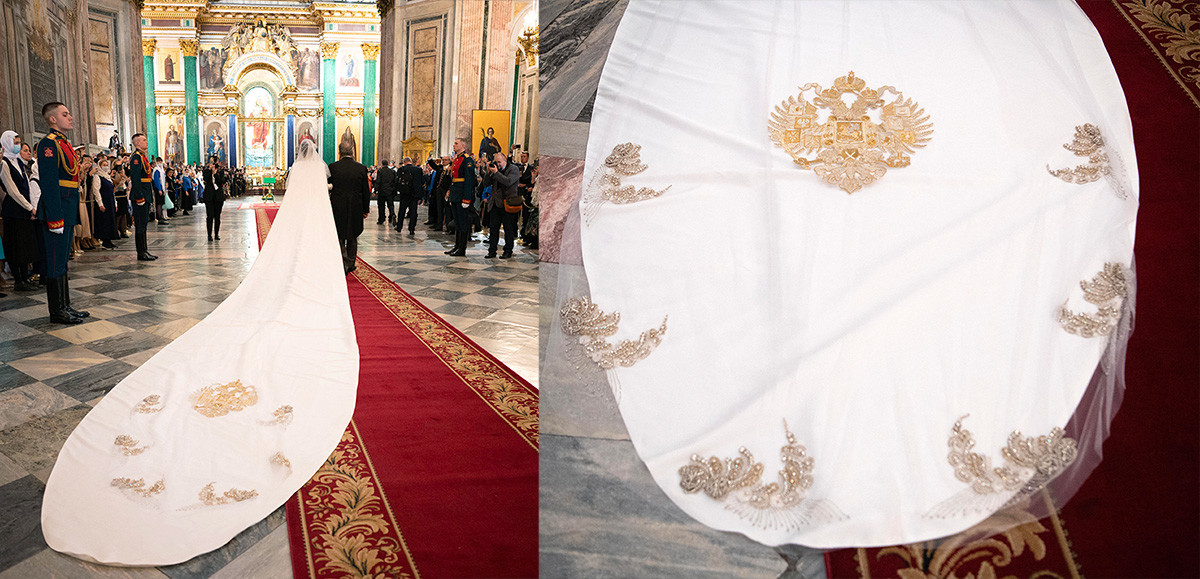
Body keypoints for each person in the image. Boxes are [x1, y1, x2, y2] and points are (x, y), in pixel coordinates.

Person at [35, 102, 86, 324]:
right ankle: (56, 311)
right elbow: (49, 183)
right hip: (57, 211)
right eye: (65, 114)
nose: (70, 117)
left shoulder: (64, 143)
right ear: (52, 119)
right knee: (56, 260)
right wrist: (55, 216)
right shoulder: (48, 144)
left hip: (68, 206)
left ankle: (65, 305)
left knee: (63, 259)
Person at [0, 131, 40, 291]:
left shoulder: (17, 161)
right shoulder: (4, 164)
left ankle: (25, 277)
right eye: (15, 142)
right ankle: (18, 280)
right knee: (16, 245)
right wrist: (29, 206)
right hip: (13, 210)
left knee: (25, 244)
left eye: (19, 142)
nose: (17, 145)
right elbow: (12, 190)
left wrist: (31, 206)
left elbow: (26, 186)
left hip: (24, 208)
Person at [328, 141, 370, 274]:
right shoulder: (361, 168)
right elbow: (365, 191)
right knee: (353, 234)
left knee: (339, 234)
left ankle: (342, 261)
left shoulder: (333, 167)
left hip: (337, 206)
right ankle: (350, 263)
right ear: (352, 152)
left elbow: (329, 187)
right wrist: (365, 209)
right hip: (355, 206)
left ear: (339, 152)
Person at [483, 152, 522, 258]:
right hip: (495, 204)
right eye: (496, 162)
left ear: (505, 161)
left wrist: (496, 173)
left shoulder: (513, 169)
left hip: (508, 203)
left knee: (508, 229)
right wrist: (488, 172)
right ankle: (492, 251)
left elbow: (508, 182)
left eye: (499, 162)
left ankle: (508, 251)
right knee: (493, 229)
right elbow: (486, 184)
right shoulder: (495, 170)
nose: (498, 164)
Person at [445, 138, 477, 257]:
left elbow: (469, 180)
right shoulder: (457, 159)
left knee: (463, 223)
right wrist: (450, 191)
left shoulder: (466, 159)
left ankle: (462, 249)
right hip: (455, 194)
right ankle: (456, 246)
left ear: (463, 145)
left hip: (462, 195)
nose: (454, 145)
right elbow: (454, 179)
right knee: (457, 222)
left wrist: (467, 199)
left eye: (456, 143)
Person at [128, 134, 156, 261]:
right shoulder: (136, 157)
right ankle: (141, 252)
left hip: (145, 192)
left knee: (143, 224)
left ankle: (144, 250)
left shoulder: (142, 156)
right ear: (137, 143)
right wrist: (139, 197)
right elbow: (135, 178)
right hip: (141, 195)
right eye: (144, 140)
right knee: (140, 224)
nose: (147, 142)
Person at [92, 155, 118, 249]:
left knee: (110, 221)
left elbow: (112, 191)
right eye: (103, 164)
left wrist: (115, 203)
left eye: (107, 164)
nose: (106, 166)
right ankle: (104, 240)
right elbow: (96, 191)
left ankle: (109, 239)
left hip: (110, 201)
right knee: (104, 221)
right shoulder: (97, 177)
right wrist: (100, 204)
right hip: (103, 201)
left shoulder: (107, 177)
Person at [395, 156, 423, 235]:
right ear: (411, 162)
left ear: (404, 162)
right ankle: (411, 229)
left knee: (402, 211)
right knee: (413, 212)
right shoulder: (418, 170)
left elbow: (397, 181)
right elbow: (422, 181)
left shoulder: (401, 169)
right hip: (414, 194)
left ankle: (399, 227)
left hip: (404, 193)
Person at [203, 156, 226, 241]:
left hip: (218, 197)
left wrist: (215, 174)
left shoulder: (221, 171)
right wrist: (210, 171)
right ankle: (209, 235)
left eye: (214, 162)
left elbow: (222, 181)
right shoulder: (206, 171)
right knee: (209, 216)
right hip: (209, 197)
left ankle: (216, 234)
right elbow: (206, 179)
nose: (212, 164)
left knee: (217, 216)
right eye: (211, 162)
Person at [374, 159, 396, 224]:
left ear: (382, 164)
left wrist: (375, 191)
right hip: (390, 191)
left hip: (382, 191)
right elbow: (395, 181)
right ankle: (392, 215)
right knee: (390, 205)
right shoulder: (392, 171)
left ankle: (381, 219)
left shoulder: (380, 171)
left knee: (381, 206)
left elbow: (378, 181)